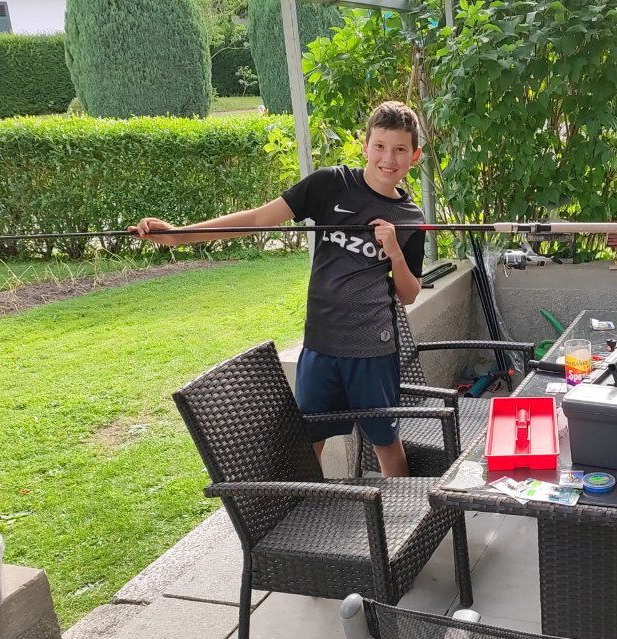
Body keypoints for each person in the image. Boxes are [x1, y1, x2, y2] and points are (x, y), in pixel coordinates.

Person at [131, 101, 427, 477]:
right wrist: (177, 236)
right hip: (321, 347)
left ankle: (403, 512)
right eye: (380, 146)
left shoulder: (411, 218)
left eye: (400, 149)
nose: (388, 158)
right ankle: (305, 513)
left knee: (386, 443)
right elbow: (258, 219)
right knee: (308, 443)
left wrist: (395, 252)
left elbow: (409, 294)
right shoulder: (330, 184)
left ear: (414, 156)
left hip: (374, 350)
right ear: (365, 145)